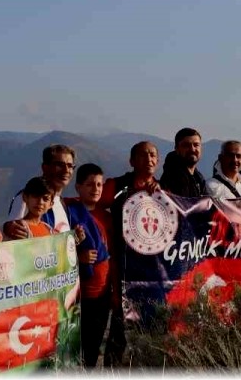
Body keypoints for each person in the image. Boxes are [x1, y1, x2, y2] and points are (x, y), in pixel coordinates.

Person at [102, 141, 162, 367]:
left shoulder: (162, 190)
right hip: (122, 267)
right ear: (132, 161)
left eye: (153, 155)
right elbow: (90, 204)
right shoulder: (117, 185)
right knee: (119, 324)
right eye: (143, 155)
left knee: (149, 328)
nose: (149, 159)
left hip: (152, 272)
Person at [65, 164, 112, 368]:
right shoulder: (68, 212)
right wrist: (78, 255)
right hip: (76, 296)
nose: (96, 189)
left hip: (102, 295)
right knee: (72, 352)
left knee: (91, 353)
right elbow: (55, 247)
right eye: (90, 184)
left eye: (99, 184)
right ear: (78, 187)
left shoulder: (107, 217)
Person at [4, 144, 76, 238]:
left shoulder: (61, 202)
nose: (66, 170)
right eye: (59, 165)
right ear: (45, 167)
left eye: (70, 166)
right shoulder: (25, 197)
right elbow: (14, 233)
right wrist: (7, 227)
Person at [160, 127, 208, 197]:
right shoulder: (173, 178)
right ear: (177, 149)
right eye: (186, 145)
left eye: (196, 145)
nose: (192, 149)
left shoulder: (199, 178)